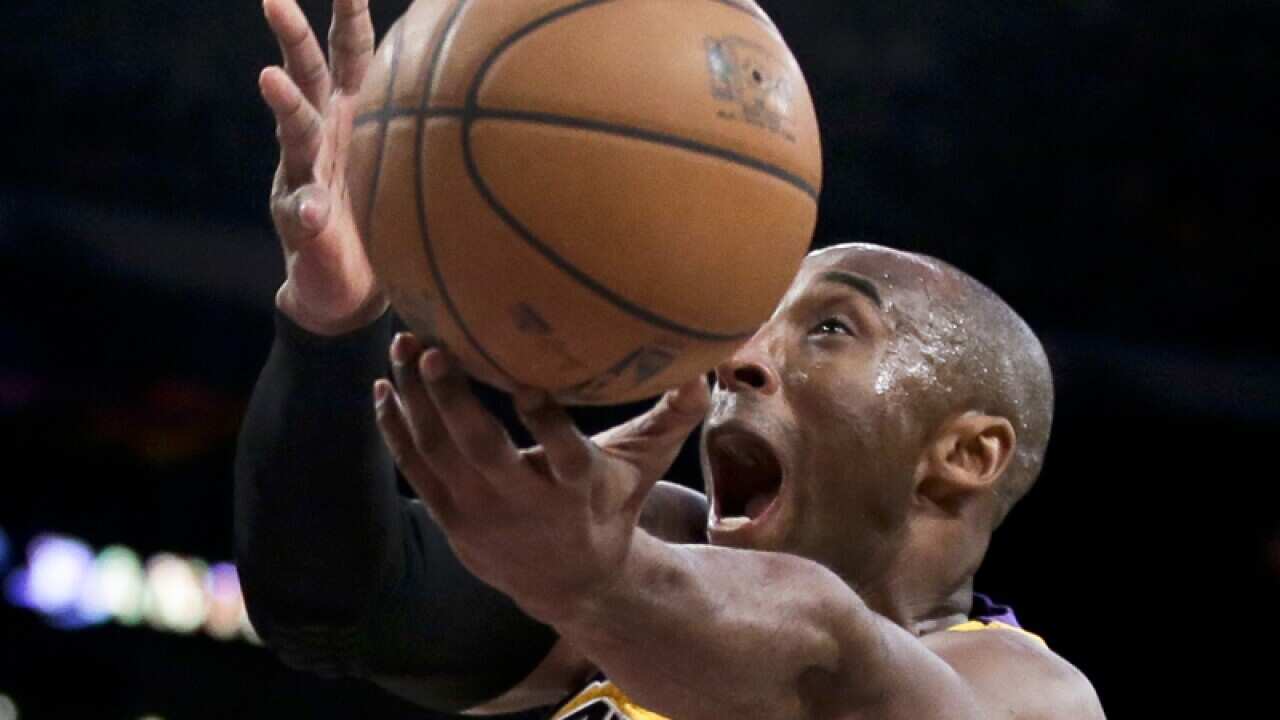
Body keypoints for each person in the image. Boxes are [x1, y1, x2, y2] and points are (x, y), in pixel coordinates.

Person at [235, 1, 1106, 718]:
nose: (738, 359)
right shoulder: (653, 545)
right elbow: (334, 605)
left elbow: (834, 666)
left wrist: (598, 584)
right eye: (750, 323)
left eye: (832, 330)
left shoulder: (1030, 694)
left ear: (967, 453)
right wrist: (332, 321)